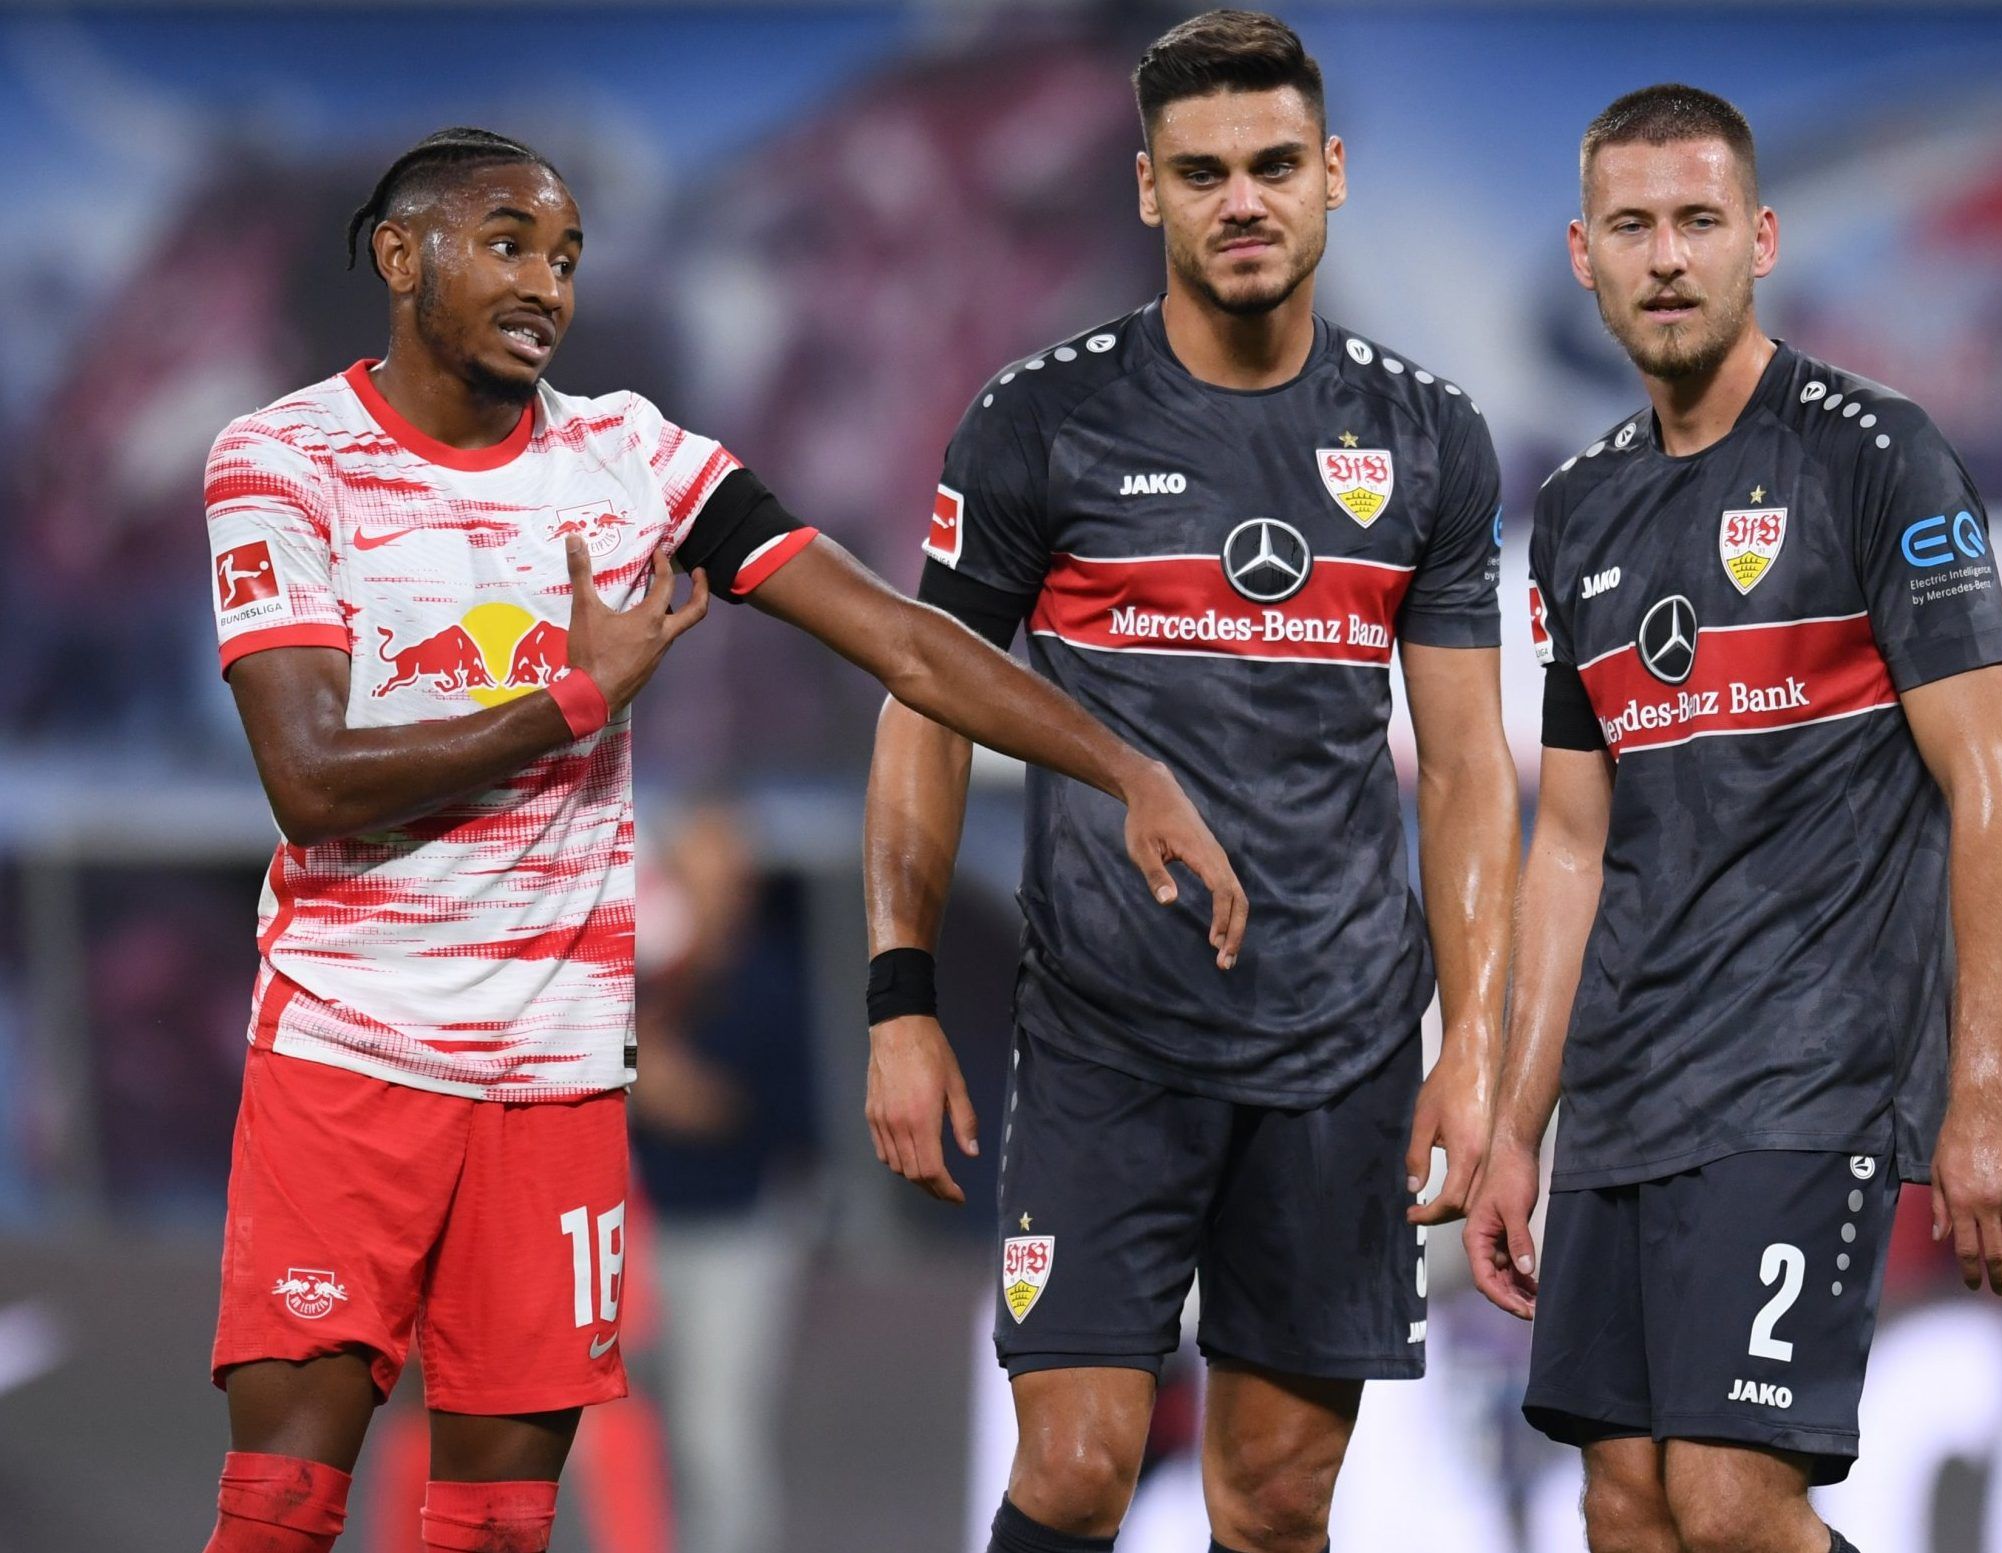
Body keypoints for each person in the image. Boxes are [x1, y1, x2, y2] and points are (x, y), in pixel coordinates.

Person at [199, 126, 1245, 1553]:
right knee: (280, 1508)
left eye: (566, 257)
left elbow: (902, 640)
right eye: (507, 244)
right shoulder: (282, 458)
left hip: (556, 1086)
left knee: (497, 1527)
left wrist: (1124, 765)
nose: (546, 284)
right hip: (349, 1055)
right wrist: (574, 699)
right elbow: (312, 779)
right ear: (400, 255)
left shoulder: (635, 457)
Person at [860, 14, 1518, 1553]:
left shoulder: (1426, 437)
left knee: (1275, 1498)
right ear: (1148, 187)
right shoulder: (1038, 421)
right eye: (1203, 171)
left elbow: (1465, 768)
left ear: (1330, 172)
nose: (1242, 200)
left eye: (1273, 164)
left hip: (1339, 1048)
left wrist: (1473, 1043)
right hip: (1106, 1041)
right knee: (1076, 1468)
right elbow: (925, 699)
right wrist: (900, 999)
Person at [1462, 85, 2002, 1553]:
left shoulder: (1879, 457)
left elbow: (1994, 784)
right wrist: (1519, 1129)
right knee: (1624, 1506)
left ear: (1763, 239)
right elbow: (1572, 839)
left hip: (1805, 1076)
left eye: (1698, 221)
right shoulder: (1578, 508)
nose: (1666, 257)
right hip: (1622, 1093)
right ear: (1583, 255)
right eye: (1631, 226)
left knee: (1728, 1499)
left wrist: (1982, 1093)